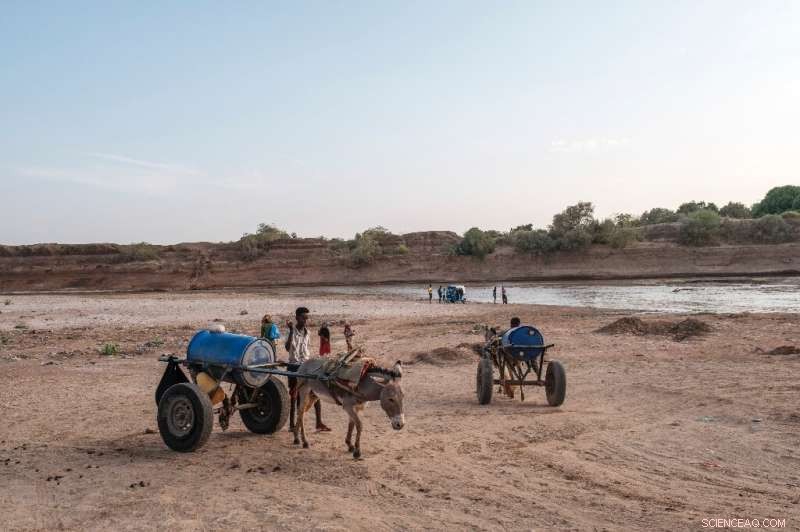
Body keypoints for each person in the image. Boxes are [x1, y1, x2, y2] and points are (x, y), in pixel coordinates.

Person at [285, 307, 330, 432]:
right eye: (303, 318)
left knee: (315, 393)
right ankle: (292, 424)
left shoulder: (308, 333)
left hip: (307, 366)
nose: (305, 320)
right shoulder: (291, 331)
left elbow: (306, 351)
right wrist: (290, 332)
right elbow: (288, 348)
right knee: (295, 395)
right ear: (297, 318)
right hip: (294, 366)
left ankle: (319, 423)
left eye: (306, 318)